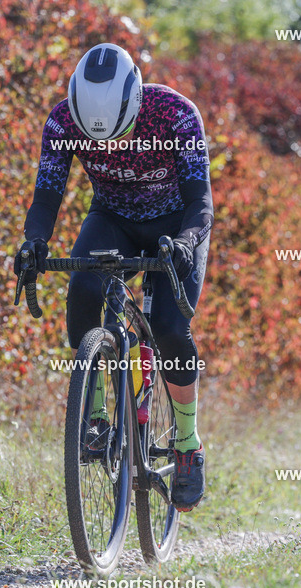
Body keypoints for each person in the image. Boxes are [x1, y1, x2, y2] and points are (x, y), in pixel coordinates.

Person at [14, 43, 213, 511]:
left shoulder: (175, 115)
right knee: (82, 289)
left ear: (136, 105)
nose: (110, 149)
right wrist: (34, 242)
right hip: (114, 219)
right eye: (98, 141)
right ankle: (98, 413)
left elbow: (201, 203)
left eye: (119, 137)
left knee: (168, 327)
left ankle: (188, 443)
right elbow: (46, 195)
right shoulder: (63, 122)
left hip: (177, 225)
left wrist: (186, 243)